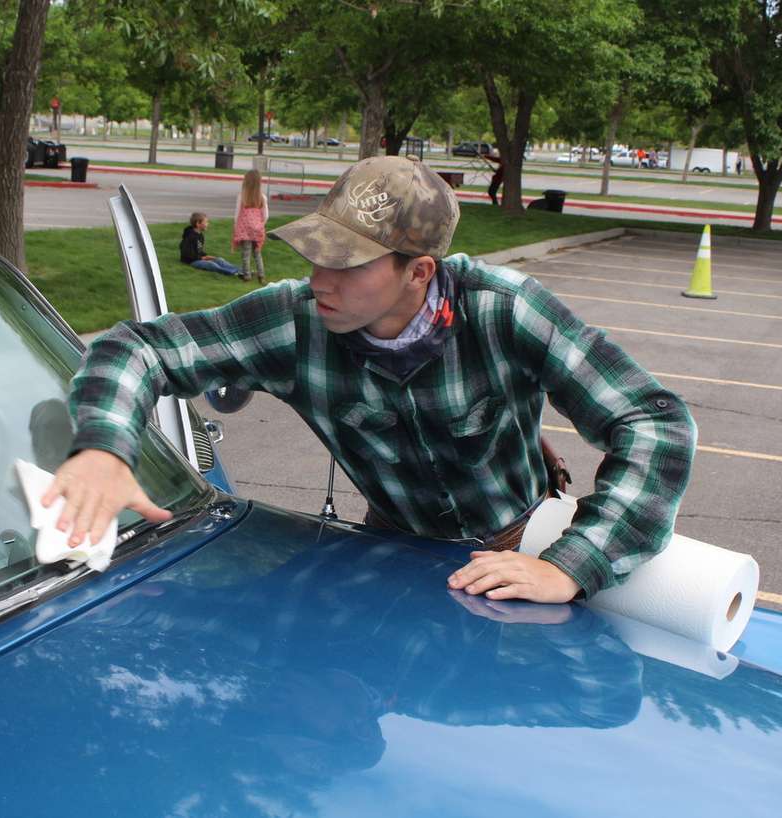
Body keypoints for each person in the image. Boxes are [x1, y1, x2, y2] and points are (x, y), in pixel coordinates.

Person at [45, 156, 696, 605]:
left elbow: (654, 423)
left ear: (419, 272)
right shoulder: (295, 322)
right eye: (315, 254)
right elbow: (140, 348)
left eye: (347, 264)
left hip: (523, 541)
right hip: (391, 550)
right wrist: (103, 446)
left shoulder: (503, 309)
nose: (319, 280)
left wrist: (569, 566)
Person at [233, 169, 268, 283]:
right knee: (257, 253)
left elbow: (237, 214)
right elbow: (266, 215)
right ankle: (261, 276)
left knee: (246, 253)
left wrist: (236, 227)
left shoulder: (242, 196)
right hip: (257, 229)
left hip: (244, 229)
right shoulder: (262, 197)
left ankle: (246, 276)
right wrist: (260, 225)